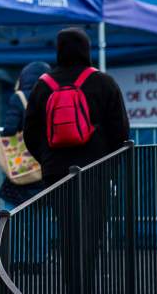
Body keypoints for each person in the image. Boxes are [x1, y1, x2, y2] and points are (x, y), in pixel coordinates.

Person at [23, 27, 130, 186]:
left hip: (56, 171)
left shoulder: (42, 85)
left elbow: (30, 133)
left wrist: (46, 158)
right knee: (96, 211)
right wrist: (109, 161)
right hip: (96, 167)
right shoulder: (104, 82)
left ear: (59, 49)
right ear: (86, 49)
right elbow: (120, 129)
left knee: (64, 211)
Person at [0, 62, 51, 209]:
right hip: (47, 166)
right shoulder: (53, 96)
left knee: (13, 215)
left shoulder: (19, 98)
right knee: (44, 217)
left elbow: (9, 131)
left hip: (22, 167)